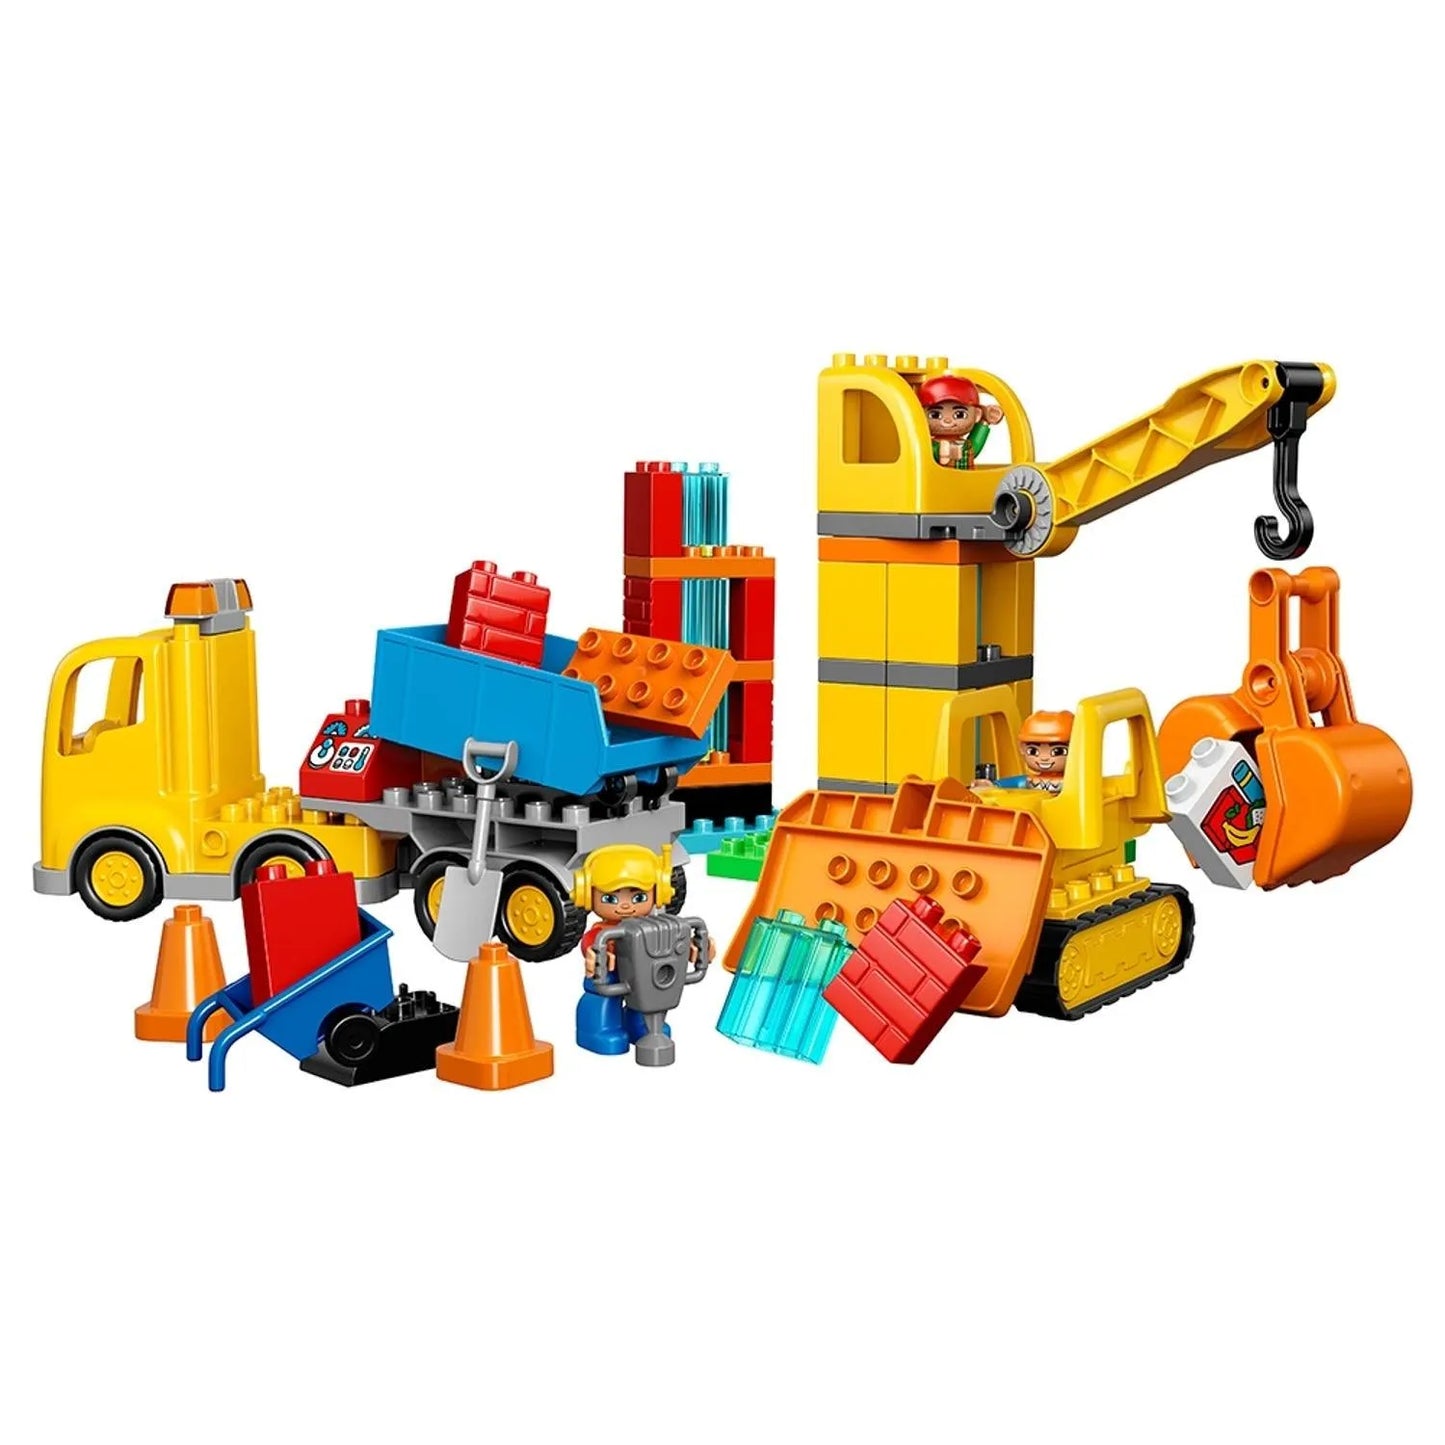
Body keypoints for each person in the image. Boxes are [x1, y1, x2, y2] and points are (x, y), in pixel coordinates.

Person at [570, 844, 710, 1055]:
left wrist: (697, 948)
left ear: (660, 892)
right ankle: (599, 1030)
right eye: (610, 898)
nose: (625, 906)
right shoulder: (602, 932)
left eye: (638, 898)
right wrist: (595, 956)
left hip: (642, 975)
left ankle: (641, 1025)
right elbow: (589, 944)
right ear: (586, 895)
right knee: (603, 998)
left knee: (647, 996)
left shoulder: (653, 927)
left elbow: (674, 944)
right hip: (611, 974)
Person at [919, 374, 1005, 469]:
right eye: (935, 415)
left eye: (959, 414)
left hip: (966, 477)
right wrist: (939, 450)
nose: (947, 420)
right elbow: (927, 453)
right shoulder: (929, 445)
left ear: (977, 415)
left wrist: (984, 422)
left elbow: (975, 446)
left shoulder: (966, 446)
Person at [1019, 710, 1074, 793]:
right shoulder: (1029, 780)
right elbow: (1010, 783)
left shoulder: (1074, 781)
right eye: (1033, 751)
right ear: (1022, 748)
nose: (1044, 758)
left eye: (1058, 751)